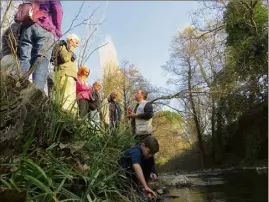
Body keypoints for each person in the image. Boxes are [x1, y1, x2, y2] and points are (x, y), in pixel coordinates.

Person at [17, 0, 63, 91]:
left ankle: (19, 90)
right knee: (41, 61)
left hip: (27, 28)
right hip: (44, 27)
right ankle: (35, 95)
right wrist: (57, 30)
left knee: (24, 59)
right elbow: (57, 9)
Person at [119, 135, 159, 201]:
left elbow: (152, 168)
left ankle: (141, 189)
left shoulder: (149, 157)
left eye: (152, 154)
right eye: (149, 152)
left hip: (134, 179)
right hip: (122, 177)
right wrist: (146, 187)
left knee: (150, 161)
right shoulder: (136, 151)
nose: (150, 155)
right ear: (143, 145)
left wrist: (153, 173)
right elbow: (136, 165)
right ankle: (133, 191)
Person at [53, 33, 80, 113]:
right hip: (65, 75)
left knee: (70, 99)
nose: (76, 45)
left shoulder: (68, 49)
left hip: (70, 76)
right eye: (76, 42)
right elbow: (65, 58)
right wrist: (71, 48)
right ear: (71, 40)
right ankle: (63, 116)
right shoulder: (62, 46)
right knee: (66, 99)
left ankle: (68, 118)